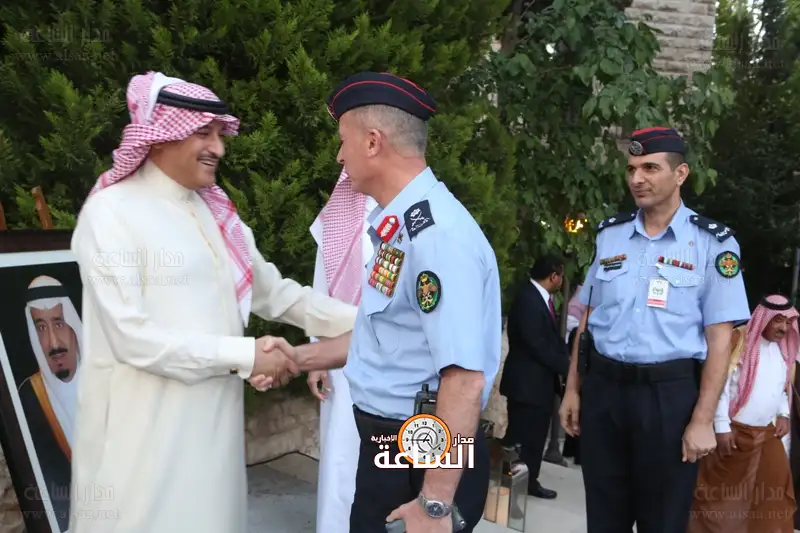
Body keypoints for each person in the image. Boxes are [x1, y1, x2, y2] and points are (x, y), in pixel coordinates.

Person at [68, 71, 358, 533]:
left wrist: (369, 321)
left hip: (215, 432)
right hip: (142, 440)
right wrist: (246, 354)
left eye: (220, 134)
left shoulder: (214, 212)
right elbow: (132, 338)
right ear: (160, 134)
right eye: (204, 133)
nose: (218, 148)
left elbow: (276, 294)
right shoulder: (111, 213)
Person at [268, 71, 501, 533]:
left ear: (373, 142)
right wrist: (297, 358)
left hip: (421, 454)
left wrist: (434, 505)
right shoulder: (402, 228)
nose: (339, 156)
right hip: (393, 448)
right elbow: (384, 335)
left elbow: (463, 380)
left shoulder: (438, 238)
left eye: (343, 141)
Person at [559, 126, 751, 533]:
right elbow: (588, 320)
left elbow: (721, 340)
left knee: (662, 521)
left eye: (650, 168)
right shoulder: (611, 235)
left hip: (669, 399)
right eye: (631, 169)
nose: (637, 179)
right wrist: (573, 389)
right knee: (603, 520)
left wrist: (703, 419)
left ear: (680, 174)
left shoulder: (713, 244)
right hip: (605, 393)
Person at [688, 294, 798, 533]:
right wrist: (721, 426)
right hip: (733, 433)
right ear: (764, 318)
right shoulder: (740, 341)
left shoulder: (782, 349)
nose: (784, 328)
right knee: (720, 499)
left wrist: (783, 414)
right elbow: (721, 384)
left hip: (766, 434)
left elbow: (780, 386)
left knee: (773, 491)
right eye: (778, 320)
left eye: (788, 322)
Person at [306, 167, 376, 533]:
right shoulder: (337, 216)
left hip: (389, 362)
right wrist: (316, 354)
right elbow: (320, 290)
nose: (339, 155)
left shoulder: (406, 213)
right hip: (340, 358)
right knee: (340, 455)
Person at [499, 254, 568, 499]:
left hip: (538, 384)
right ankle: (516, 482)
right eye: (561, 276)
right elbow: (536, 343)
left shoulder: (541, 299)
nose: (561, 281)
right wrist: (565, 365)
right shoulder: (528, 299)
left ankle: (527, 480)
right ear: (554, 276)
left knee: (534, 437)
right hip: (527, 383)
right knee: (523, 436)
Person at [17, 275, 80, 530]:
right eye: (41, 328)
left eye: (59, 323)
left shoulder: (110, 379)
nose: (54, 343)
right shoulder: (30, 397)